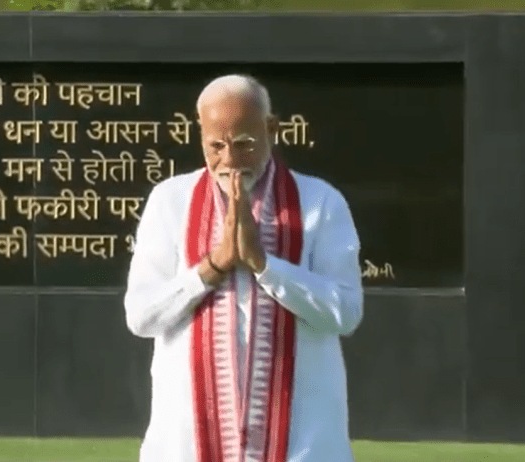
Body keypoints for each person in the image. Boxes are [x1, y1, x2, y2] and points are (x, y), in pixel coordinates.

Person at [124, 74, 363, 462]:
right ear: (200, 135)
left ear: (272, 128)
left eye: (244, 144)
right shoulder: (169, 202)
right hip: (184, 448)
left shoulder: (321, 202)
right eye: (216, 146)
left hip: (303, 447)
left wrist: (265, 266)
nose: (230, 160)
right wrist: (211, 268)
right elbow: (140, 316)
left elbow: (345, 313)